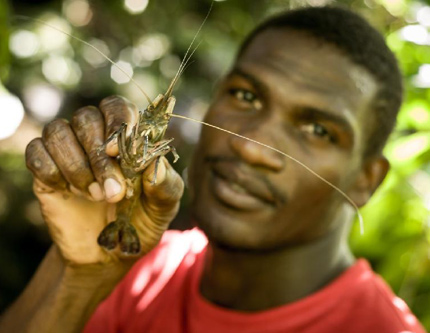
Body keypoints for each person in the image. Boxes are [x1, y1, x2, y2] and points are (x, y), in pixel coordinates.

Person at [0, 5, 426, 333]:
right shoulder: (140, 265)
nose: (250, 146)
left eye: (317, 129)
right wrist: (78, 275)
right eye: (245, 96)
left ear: (367, 179)